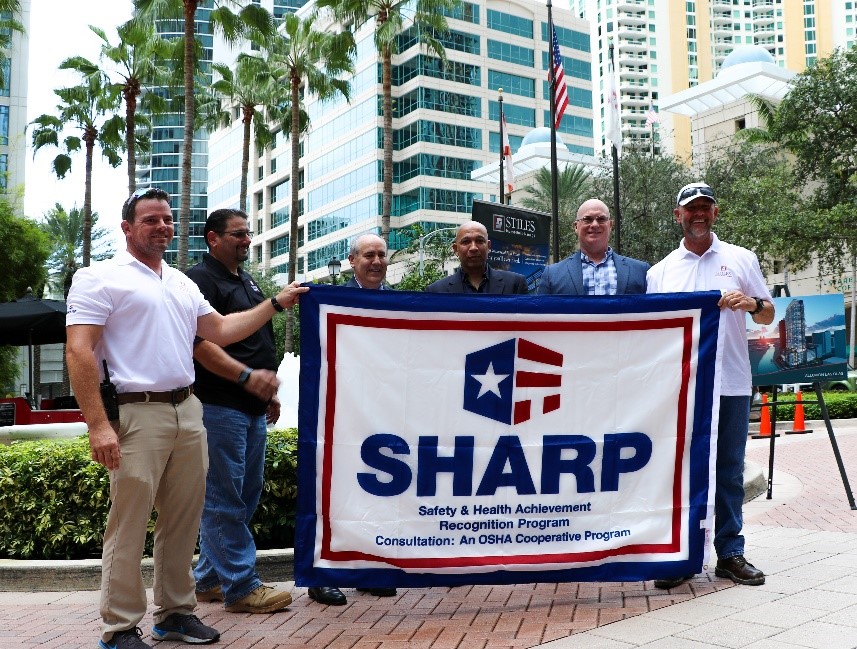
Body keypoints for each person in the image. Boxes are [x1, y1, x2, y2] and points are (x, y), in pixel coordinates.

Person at [65, 188, 307, 649]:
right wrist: (98, 424)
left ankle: (176, 613)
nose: (162, 226)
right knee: (129, 522)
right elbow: (79, 350)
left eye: (168, 219)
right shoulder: (100, 277)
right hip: (135, 411)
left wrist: (275, 304)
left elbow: (217, 331)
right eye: (150, 220)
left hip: (187, 407)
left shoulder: (179, 281)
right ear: (127, 228)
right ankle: (119, 627)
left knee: (184, 520)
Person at [646, 182, 774, 589]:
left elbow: (768, 313)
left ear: (715, 213)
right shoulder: (661, 271)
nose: (698, 214)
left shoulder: (741, 258)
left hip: (732, 382)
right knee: (681, 470)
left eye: (705, 207)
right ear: (677, 215)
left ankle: (730, 553)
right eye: (691, 208)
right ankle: (683, 556)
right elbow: (653, 332)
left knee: (729, 469)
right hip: (681, 388)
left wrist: (750, 304)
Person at [184, 209, 293, 614]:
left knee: (245, 495)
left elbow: (254, 338)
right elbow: (201, 343)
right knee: (222, 498)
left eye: (249, 233)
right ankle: (242, 586)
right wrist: (248, 377)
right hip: (219, 405)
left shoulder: (244, 279)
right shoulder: (199, 280)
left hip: (250, 406)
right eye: (238, 234)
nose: (247, 240)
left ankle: (210, 578)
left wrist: (265, 392)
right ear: (213, 238)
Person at [306, 233, 397, 606]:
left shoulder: (401, 301)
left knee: (377, 492)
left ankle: (369, 570)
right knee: (333, 492)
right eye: (368, 255)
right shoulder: (333, 300)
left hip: (386, 412)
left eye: (381, 255)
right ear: (352, 260)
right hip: (341, 412)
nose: (376, 261)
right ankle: (320, 576)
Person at [537, 198, 649, 295]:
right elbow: (541, 317)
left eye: (601, 219)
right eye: (587, 219)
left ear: (610, 225)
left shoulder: (641, 271)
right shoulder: (551, 275)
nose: (595, 224)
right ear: (576, 226)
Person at [425, 221, 528, 294]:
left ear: (489, 247)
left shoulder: (515, 284)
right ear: (456, 249)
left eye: (479, 241)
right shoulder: (437, 291)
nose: (473, 248)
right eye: (466, 242)